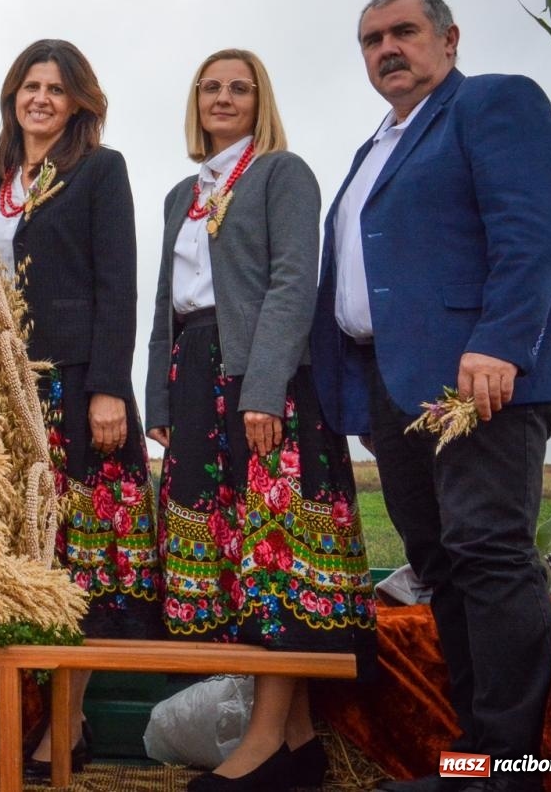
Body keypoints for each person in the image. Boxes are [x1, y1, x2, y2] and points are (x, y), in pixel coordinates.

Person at [311, 0, 551, 792]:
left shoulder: (493, 103)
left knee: (487, 551)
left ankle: (511, 771)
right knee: (439, 562)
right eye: (371, 39)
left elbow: (535, 233)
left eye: (403, 31)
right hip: (396, 391)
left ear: (449, 37)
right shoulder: (374, 147)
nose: (386, 49)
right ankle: (473, 763)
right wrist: (362, 400)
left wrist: (500, 343)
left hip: (479, 377)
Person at [146, 49, 374, 791]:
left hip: (259, 380)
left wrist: (265, 390)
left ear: (259, 100)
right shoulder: (183, 192)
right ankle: (299, 745)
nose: (223, 97)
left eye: (239, 88)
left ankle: (265, 742)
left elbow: (292, 283)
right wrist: (159, 401)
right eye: (210, 87)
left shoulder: (282, 173)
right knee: (231, 558)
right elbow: (165, 304)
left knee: (273, 558)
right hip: (193, 375)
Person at [0, 38, 161, 778]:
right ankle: (18, 716)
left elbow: (120, 283)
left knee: (78, 553)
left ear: (79, 101)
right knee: (20, 550)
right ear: (12, 96)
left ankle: (66, 721)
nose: (41, 98)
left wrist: (109, 385)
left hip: (74, 387)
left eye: (56, 88)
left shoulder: (99, 170)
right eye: (30, 85)